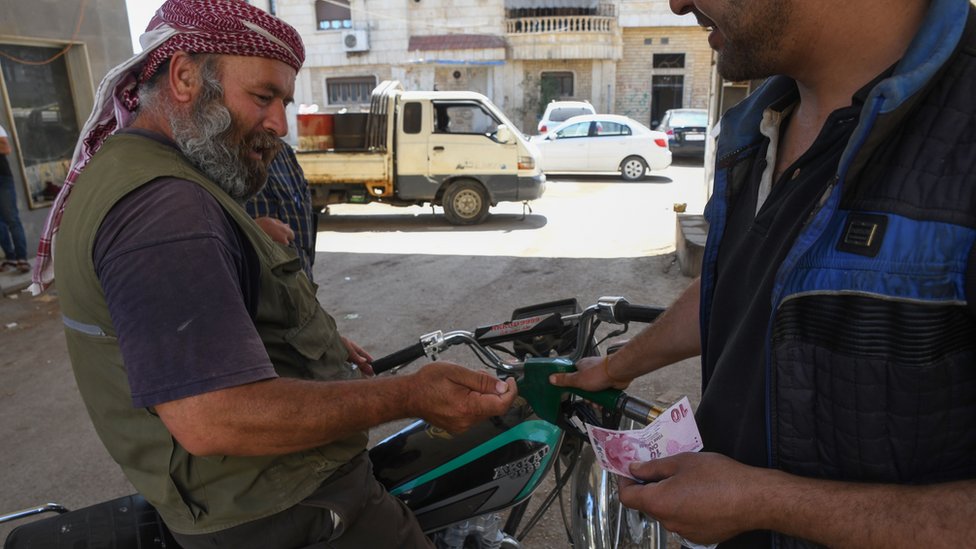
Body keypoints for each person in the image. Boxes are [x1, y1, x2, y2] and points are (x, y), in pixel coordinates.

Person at [34, 1, 516, 548]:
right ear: (185, 76)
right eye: (263, 97)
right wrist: (407, 396)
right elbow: (215, 417)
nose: (280, 124)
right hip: (289, 514)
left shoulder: (154, 175)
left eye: (284, 101)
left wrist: (304, 333)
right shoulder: (167, 211)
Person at [551, 0, 976, 547]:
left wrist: (767, 502)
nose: (678, 4)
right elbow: (750, 288)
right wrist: (616, 366)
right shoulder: (757, 125)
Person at [246, 140, 317, 280]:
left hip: (299, 293)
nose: (282, 127)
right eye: (261, 115)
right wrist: (250, 233)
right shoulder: (212, 159)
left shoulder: (284, 152)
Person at [0, 122, 29, 274]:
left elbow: (6, 148)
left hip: (2, 178)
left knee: (12, 219)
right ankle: (10, 258)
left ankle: (22, 258)